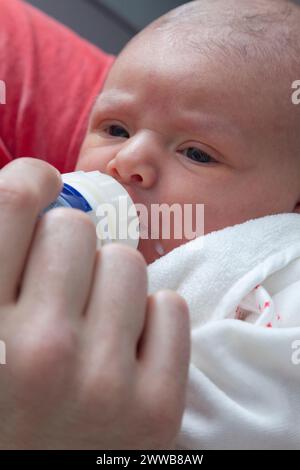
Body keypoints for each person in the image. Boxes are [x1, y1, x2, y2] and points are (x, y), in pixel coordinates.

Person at [1, 0, 300, 449]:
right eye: (115, 129)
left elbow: (274, 412)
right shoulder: (49, 232)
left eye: (197, 153)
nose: (127, 161)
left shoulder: (280, 273)